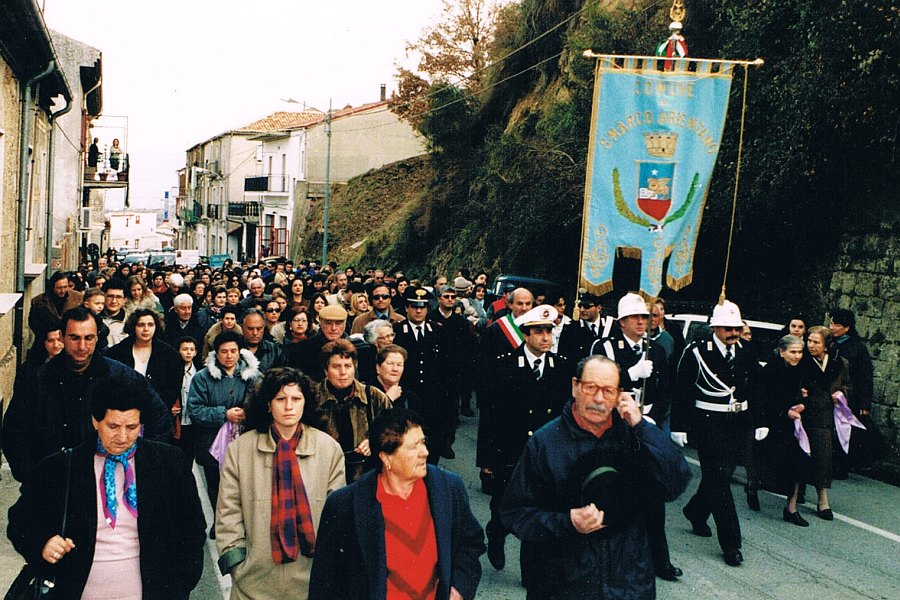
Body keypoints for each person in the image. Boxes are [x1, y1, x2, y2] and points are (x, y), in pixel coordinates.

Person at [500, 356, 690, 598]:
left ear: (620, 395)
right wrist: (568, 522)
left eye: (608, 391)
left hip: (629, 584)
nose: (599, 399)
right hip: (563, 586)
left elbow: (676, 481)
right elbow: (515, 512)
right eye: (591, 387)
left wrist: (642, 427)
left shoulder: (634, 436)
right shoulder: (545, 442)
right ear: (575, 387)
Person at [7, 377, 206, 599]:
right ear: (95, 421)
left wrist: (181, 583)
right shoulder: (62, 467)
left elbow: (192, 529)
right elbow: (20, 521)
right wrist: (43, 542)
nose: (123, 437)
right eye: (113, 426)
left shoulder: (169, 463)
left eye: (132, 427)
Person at [309, 409, 485, 600]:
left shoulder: (448, 489)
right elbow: (325, 581)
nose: (425, 452)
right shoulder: (346, 504)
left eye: (423, 442)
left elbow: (470, 544)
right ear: (386, 458)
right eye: (413, 447)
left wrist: (459, 588)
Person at [216, 368, 345, 599]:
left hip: (311, 580)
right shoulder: (240, 449)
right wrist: (237, 565)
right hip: (253, 582)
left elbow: (338, 518)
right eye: (280, 399)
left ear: (306, 403)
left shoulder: (328, 448)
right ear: (268, 404)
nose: (288, 407)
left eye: (296, 399)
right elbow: (228, 513)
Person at [3, 307, 172, 482]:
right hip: (50, 484)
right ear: (61, 337)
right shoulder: (38, 380)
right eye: (74, 338)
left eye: (88, 338)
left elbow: (160, 422)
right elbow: (14, 432)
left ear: (97, 338)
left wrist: (139, 469)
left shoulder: (122, 377)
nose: (82, 346)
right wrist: (33, 475)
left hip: (107, 485)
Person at [590, 292, 680, 580]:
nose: (642, 322)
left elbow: (667, 389)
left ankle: (659, 560)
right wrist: (629, 373)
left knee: (653, 494)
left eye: (644, 317)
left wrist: (653, 419)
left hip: (645, 425)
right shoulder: (605, 346)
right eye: (635, 318)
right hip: (614, 427)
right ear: (622, 321)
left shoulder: (658, 349)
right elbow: (598, 385)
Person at [673, 300, 766, 567]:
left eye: (737, 328)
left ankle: (695, 511)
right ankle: (731, 544)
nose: (733, 333)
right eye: (728, 328)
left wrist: (761, 421)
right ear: (714, 327)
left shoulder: (747, 351)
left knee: (720, 476)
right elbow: (682, 390)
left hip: (738, 422)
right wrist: (679, 426)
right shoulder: (697, 351)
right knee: (720, 481)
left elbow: (757, 388)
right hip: (708, 422)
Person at [479, 305, 570, 573]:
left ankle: (531, 571)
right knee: (504, 507)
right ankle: (496, 534)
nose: (545, 337)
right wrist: (486, 458)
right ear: (526, 335)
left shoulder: (560, 367)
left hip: (545, 454)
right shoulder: (505, 365)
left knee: (538, 510)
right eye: (538, 331)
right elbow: (490, 415)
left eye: (549, 331)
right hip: (509, 451)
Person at [188, 330, 262, 537]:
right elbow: (195, 410)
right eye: (224, 352)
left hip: (244, 440)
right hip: (211, 443)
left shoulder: (253, 376)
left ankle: (244, 523)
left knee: (244, 483)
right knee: (216, 485)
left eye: (233, 351)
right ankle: (219, 523)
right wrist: (224, 414)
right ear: (216, 353)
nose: (229, 356)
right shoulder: (202, 378)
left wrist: (246, 412)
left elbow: (262, 402)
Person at [311, 339, 393, 482]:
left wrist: (373, 441)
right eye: (336, 366)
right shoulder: (312, 398)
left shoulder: (374, 396)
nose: (343, 372)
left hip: (366, 476)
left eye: (348, 366)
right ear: (325, 370)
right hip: (323, 475)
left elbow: (393, 432)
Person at [800, 326, 851, 518]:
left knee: (823, 458)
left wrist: (842, 393)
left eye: (816, 342)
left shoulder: (840, 363)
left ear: (826, 346)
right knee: (801, 457)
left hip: (825, 417)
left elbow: (848, 385)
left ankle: (823, 500)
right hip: (805, 414)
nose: (811, 345)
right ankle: (796, 496)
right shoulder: (802, 361)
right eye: (809, 341)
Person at [104, 309, 183, 434]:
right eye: (141, 325)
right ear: (133, 327)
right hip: (122, 414)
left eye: (150, 325)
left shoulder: (169, 355)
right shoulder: (117, 352)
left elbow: (173, 387)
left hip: (157, 417)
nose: (146, 329)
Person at [763, 334, 810, 525]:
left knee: (798, 463)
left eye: (800, 352)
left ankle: (791, 508)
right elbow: (765, 399)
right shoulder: (770, 370)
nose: (797, 356)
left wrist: (803, 404)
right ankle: (752, 487)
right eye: (793, 352)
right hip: (773, 423)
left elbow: (806, 393)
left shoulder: (801, 370)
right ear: (782, 352)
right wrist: (784, 412)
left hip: (794, 424)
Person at [29, 271, 84, 337]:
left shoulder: (78, 298)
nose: (63, 291)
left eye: (65, 287)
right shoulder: (38, 301)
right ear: (52, 287)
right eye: (59, 288)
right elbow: (33, 323)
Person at [372, 344, 422, 412]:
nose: (395, 369)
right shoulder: (366, 393)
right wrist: (388, 399)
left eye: (399, 365)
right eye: (390, 363)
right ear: (378, 367)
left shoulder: (411, 397)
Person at [241, 307, 283, 372]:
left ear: (263, 328)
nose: (255, 333)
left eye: (259, 329)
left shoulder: (275, 351)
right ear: (242, 328)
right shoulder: (233, 350)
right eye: (250, 329)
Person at [101, 278, 130, 347]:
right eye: (110, 296)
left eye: (118, 297)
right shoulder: (93, 318)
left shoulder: (130, 320)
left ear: (124, 300)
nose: (114, 301)